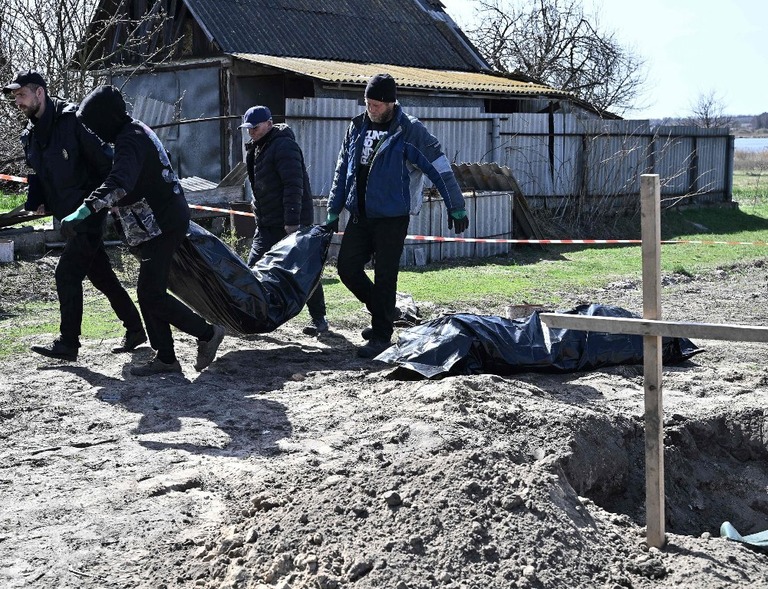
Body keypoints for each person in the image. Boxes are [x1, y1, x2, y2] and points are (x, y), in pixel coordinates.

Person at [60, 85, 225, 376]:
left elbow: (120, 180)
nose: (94, 132)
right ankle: (166, 359)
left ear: (106, 118)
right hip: (156, 224)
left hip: (163, 224)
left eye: (94, 124)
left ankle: (208, 334)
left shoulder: (130, 139)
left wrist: (84, 210)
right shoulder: (133, 133)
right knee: (150, 292)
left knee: (151, 294)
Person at [3, 70, 145, 362]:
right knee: (101, 275)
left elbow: (106, 163)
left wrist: (106, 203)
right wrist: (37, 201)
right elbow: (38, 175)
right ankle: (135, 328)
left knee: (66, 272)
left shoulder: (74, 121)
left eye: (21, 95)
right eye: (15, 97)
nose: (17, 102)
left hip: (88, 212)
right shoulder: (30, 134)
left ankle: (68, 343)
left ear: (39, 92)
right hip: (66, 216)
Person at [327, 73, 469, 358]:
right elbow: (343, 168)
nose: (371, 109)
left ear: (391, 103)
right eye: (368, 103)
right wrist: (334, 207)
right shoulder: (356, 127)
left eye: (377, 105)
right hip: (359, 214)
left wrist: (455, 204)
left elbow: (438, 166)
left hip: (392, 217)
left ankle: (381, 335)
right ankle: (385, 312)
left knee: (385, 275)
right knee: (346, 268)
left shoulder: (410, 130)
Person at [240, 105, 329, 336]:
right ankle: (250, 318)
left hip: (291, 222)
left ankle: (319, 318)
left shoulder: (284, 145)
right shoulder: (256, 148)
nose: (251, 132)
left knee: (305, 272)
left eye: (255, 128)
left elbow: (293, 185)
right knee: (253, 269)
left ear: (269, 124)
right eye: (248, 129)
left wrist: (292, 222)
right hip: (267, 221)